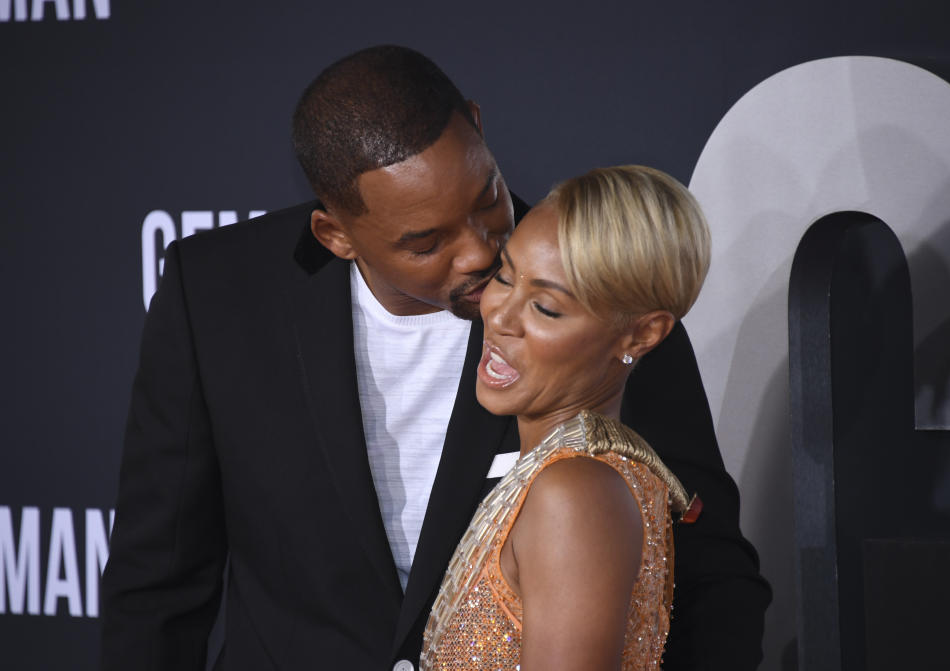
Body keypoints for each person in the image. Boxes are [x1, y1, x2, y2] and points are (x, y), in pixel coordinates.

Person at [100, 45, 770, 670]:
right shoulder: (217, 294)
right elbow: (158, 581)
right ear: (337, 234)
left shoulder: (603, 300)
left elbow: (712, 580)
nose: (481, 254)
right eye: (426, 243)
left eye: (487, 199)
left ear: (477, 127)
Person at [422, 165, 707, 670]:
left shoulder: (574, 493)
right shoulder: (581, 475)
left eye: (547, 309)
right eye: (504, 277)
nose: (501, 316)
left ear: (641, 336)